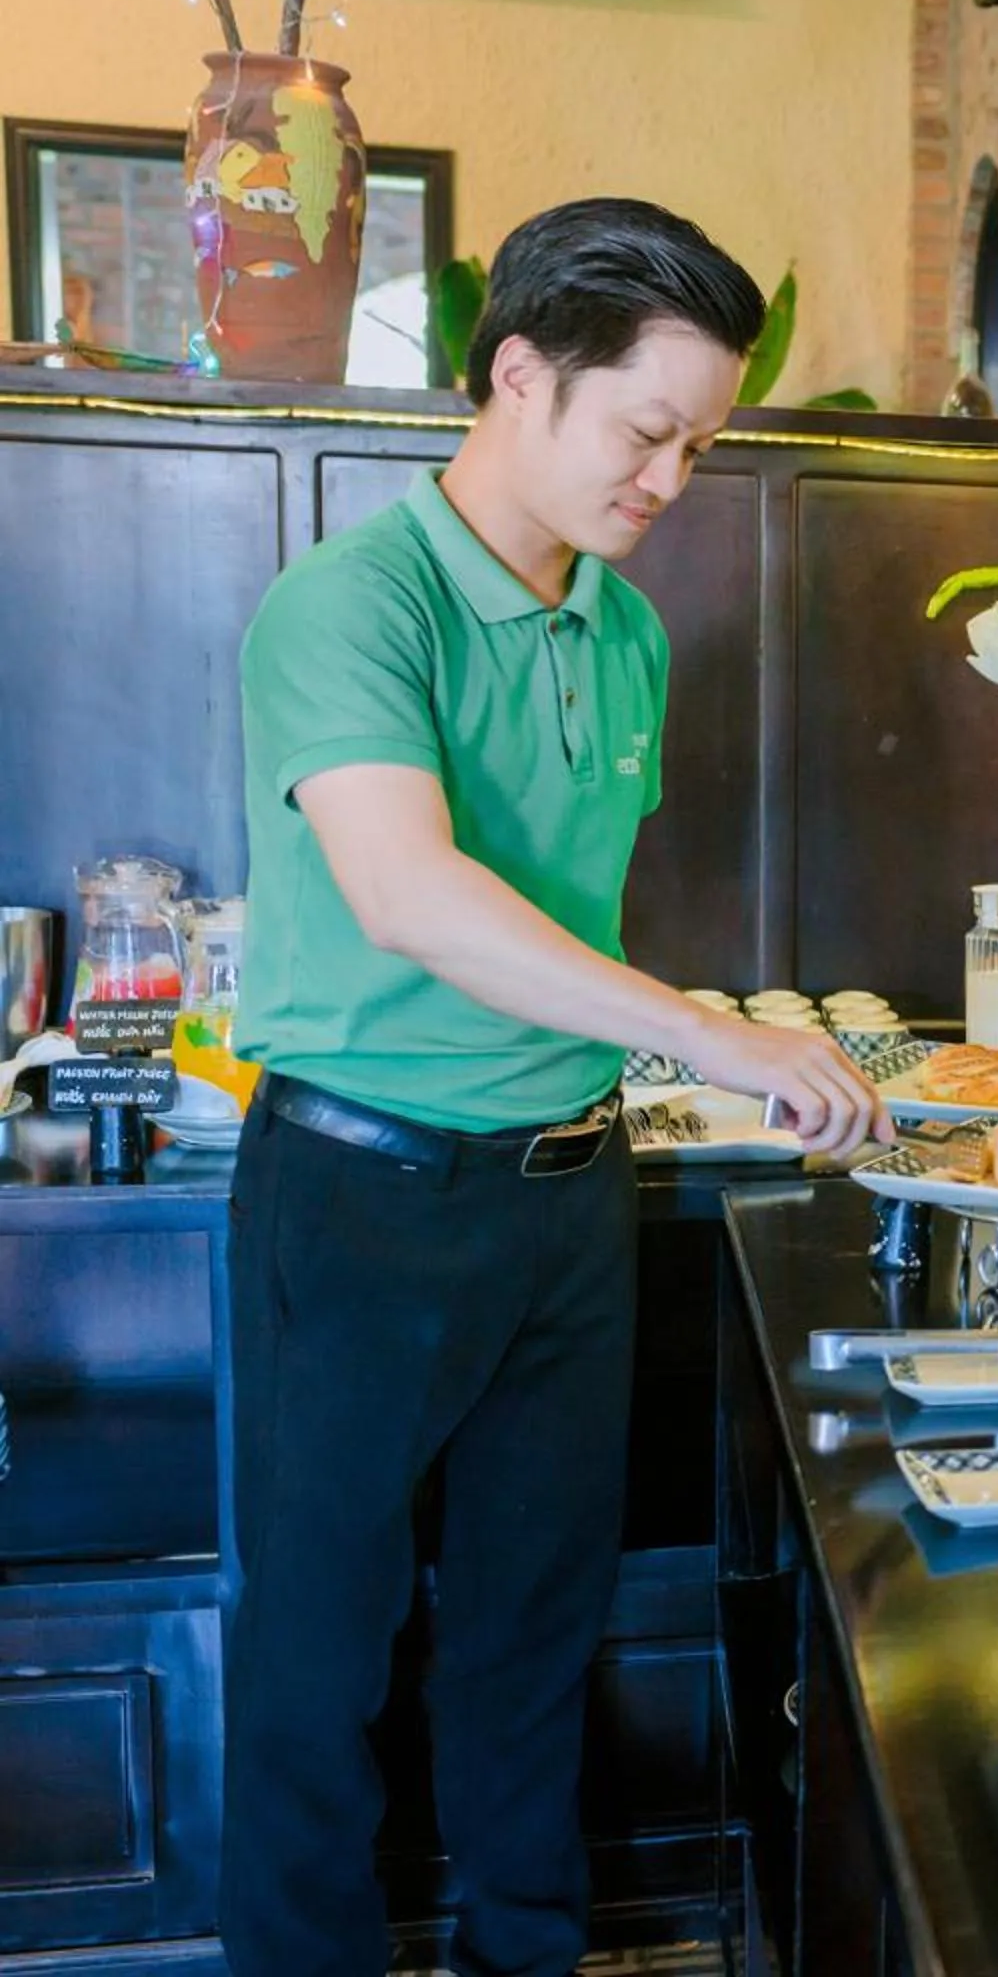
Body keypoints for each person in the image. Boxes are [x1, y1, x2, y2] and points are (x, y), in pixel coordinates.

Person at [223, 197, 890, 1975]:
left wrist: (685, 1050)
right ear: (518, 373)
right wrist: (711, 1032)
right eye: (644, 431)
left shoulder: (627, 633)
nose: (671, 477)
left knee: (533, 1639)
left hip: (569, 1195)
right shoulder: (345, 607)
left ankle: (531, 1959)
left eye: (700, 442)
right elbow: (415, 895)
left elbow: (562, 916)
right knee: (315, 1660)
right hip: (358, 1200)